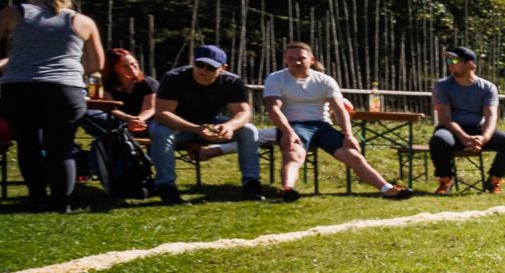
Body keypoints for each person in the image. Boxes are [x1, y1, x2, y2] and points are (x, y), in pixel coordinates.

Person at [1, 0, 106, 211]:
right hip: (64, 88)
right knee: (61, 147)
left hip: (20, 86)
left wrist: (17, 61)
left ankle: (37, 198)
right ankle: (61, 203)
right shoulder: (82, 21)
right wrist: (69, 67)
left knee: (28, 144)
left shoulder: (14, 13)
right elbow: (96, 63)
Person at [264, 41, 412, 201]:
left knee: (353, 155)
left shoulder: (325, 80)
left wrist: (348, 135)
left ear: (311, 60)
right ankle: (287, 189)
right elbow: (273, 108)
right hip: (294, 125)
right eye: (292, 58)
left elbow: (340, 109)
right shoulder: (276, 78)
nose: (297, 62)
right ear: (286, 58)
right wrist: (288, 132)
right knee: (294, 153)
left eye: (301, 58)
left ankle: (387, 189)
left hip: (322, 126)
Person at [147, 44, 262, 203]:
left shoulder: (232, 81)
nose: (203, 70)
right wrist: (196, 129)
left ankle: (252, 185)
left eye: (210, 67)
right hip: (176, 126)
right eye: (199, 64)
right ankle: (166, 188)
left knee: (249, 130)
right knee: (160, 131)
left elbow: (244, 112)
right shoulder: (174, 78)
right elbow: (162, 114)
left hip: (207, 124)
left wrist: (229, 126)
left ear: (223, 68)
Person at [429, 46, 505, 193]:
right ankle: (445, 180)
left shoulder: (488, 87)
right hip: (451, 129)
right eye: (448, 60)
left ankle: (494, 180)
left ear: (470, 64)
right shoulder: (442, 85)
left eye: (454, 60)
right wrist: (463, 137)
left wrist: (483, 138)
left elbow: (491, 116)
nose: (450, 63)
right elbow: (444, 117)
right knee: (439, 140)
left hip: (477, 129)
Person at [80, 47, 157, 198]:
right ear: (115, 69)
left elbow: (151, 108)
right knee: (98, 120)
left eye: (134, 64)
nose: (133, 68)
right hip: (120, 123)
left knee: (156, 128)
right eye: (126, 66)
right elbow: (111, 108)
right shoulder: (107, 85)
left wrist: (138, 120)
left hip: (145, 123)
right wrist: (128, 119)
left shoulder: (148, 83)